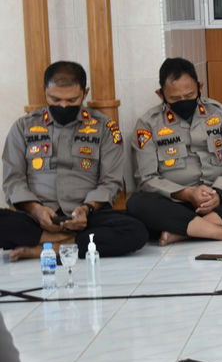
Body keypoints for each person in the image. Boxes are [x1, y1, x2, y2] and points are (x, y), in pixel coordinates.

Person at [0, 61, 147, 261]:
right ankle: (61, 241)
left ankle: (52, 247)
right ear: (45, 91)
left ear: (85, 93)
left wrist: (86, 209)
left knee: (135, 231)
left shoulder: (105, 128)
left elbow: (110, 181)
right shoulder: (23, 127)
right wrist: (36, 210)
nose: (63, 106)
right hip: (36, 216)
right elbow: (12, 180)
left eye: (71, 100)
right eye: (55, 99)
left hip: (86, 216)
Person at [127, 58, 222, 245]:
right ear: (161, 94)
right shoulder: (148, 124)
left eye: (189, 95)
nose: (183, 101)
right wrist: (187, 194)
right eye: (175, 99)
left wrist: (219, 193)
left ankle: (185, 232)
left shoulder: (218, 113)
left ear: (200, 87)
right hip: (177, 203)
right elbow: (146, 178)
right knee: (138, 204)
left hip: (220, 200)